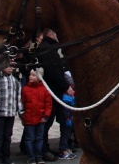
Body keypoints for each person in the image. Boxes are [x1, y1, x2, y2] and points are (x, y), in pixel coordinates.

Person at [36, 28, 73, 162]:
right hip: (51, 91)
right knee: (47, 121)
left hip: (54, 90)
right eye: (56, 34)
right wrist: (65, 86)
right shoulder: (47, 48)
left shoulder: (50, 47)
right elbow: (53, 70)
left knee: (56, 120)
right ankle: (42, 150)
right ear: (51, 34)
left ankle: (55, 146)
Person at [0, 55, 23, 164]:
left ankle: (6, 157)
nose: (10, 68)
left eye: (11, 66)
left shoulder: (14, 80)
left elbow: (18, 97)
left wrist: (21, 111)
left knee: (7, 136)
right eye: (7, 66)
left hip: (10, 113)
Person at [21, 68, 52, 164]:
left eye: (33, 75)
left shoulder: (45, 89)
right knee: (30, 138)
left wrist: (46, 116)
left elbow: (48, 104)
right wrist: (22, 115)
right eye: (30, 75)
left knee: (39, 138)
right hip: (29, 117)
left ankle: (38, 156)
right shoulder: (25, 89)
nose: (30, 77)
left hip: (40, 118)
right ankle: (31, 156)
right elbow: (22, 103)